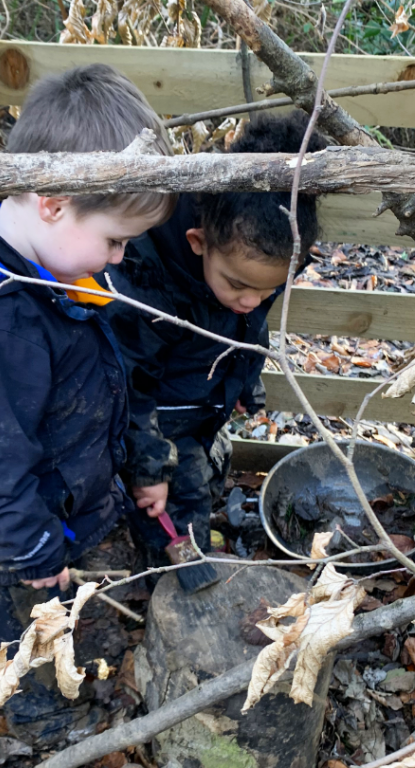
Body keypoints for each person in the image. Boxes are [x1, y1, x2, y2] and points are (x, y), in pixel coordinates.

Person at [0, 64, 175, 651]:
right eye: (115, 240)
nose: (121, 258)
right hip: (15, 537)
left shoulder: (56, 273)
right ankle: (43, 723)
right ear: (52, 203)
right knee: (32, 651)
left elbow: (101, 381)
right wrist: (31, 550)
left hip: (67, 499)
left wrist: (139, 466)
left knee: (83, 631)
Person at [100, 111, 327, 569]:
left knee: (201, 475)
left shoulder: (259, 259)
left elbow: (248, 323)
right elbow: (127, 381)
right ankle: (179, 575)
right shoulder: (144, 280)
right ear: (198, 241)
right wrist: (149, 469)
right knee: (174, 504)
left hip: (199, 399)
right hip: (153, 421)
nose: (251, 300)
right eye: (238, 286)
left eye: (268, 290)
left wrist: (243, 382)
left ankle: (180, 533)